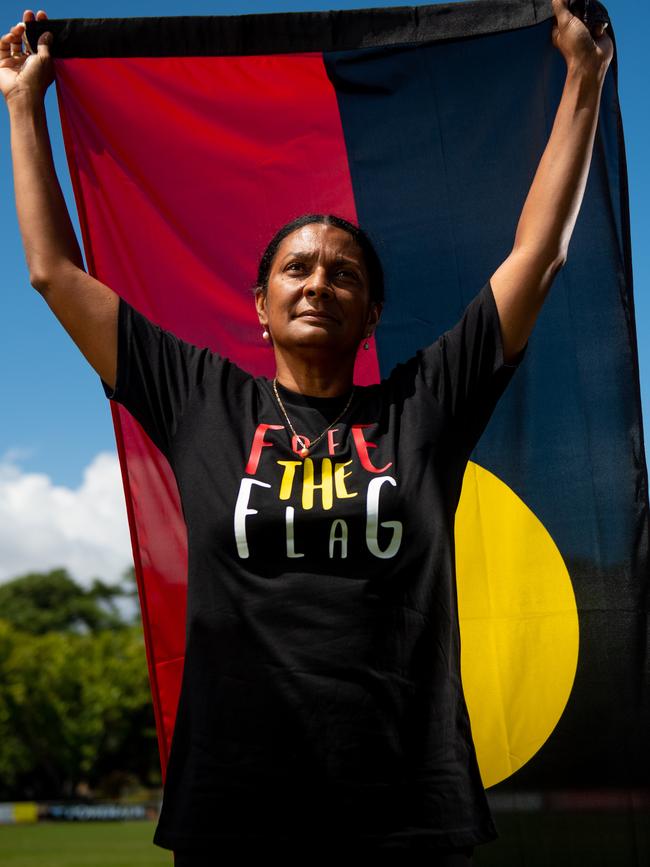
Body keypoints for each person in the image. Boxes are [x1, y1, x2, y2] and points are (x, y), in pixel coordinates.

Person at [1, 3, 613, 865]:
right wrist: (23, 104)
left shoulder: (424, 405)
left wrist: (584, 78)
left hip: (407, 806)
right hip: (234, 806)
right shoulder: (199, 400)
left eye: (343, 273)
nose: (318, 282)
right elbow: (53, 273)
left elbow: (537, 257)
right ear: (260, 307)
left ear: (371, 313)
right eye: (296, 267)